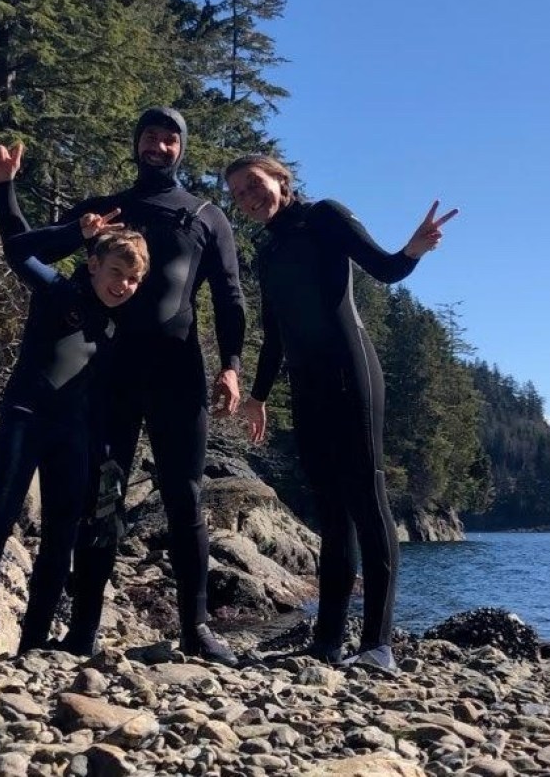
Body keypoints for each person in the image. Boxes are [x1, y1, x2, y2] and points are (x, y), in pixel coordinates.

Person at [224, 153, 458, 672]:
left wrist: (414, 250)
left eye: (253, 184)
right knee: (330, 512)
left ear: (280, 179)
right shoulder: (268, 249)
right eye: (238, 193)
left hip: (351, 374)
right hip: (308, 387)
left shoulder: (324, 215)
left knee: (367, 503)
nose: (248, 197)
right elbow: (276, 333)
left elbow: (384, 268)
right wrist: (259, 396)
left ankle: (378, 645)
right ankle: (327, 641)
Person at [34, 107, 246, 664]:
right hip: (109, 373)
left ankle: (195, 630)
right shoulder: (107, 211)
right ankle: (82, 630)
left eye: (170, 139)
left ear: (183, 149)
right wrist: (5, 190)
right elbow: (33, 249)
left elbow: (229, 296)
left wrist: (231, 364)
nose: (158, 146)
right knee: (101, 497)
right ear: (137, 144)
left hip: (179, 373)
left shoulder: (205, 215)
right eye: (150, 137)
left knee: (186, 497)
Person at [0, 141, 150, 655]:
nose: (124, 285)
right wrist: (7, 190)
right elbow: (18, 251)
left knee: (61, 537)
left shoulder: (122, 323)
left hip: (75, 435)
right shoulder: (58, 291)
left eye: (133, 279)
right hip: (25, 417)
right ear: (93, 266)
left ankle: (33, 645)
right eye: (116, 273)